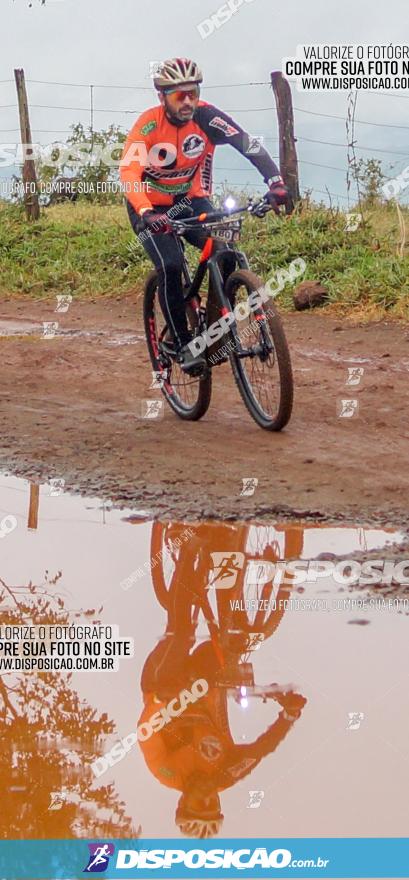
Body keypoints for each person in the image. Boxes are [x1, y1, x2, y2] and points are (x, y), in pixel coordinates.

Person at [120, 57, 291, 374]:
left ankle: (215, 323)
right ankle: (184, 345)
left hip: (191, 201)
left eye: (193, 93)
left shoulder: (207, 117)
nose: (188, 101)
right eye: (178, 95)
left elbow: (246, 143)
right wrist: (145, 211)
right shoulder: (148, 125)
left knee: (226, 250)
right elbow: (129, 172)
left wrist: (275, 182)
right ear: (162, 97)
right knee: (170, 265)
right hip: (150, 208)